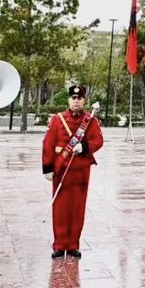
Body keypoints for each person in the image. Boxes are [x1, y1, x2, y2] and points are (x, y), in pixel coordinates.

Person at [43, 84, 105, 259]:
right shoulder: (57, 119)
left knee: (77, 209)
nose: (76, 101)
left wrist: (84, 146)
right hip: (61, 169)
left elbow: (98, 140)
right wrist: (47, 168)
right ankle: (59, 244)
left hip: (80, 171)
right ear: (69, 100)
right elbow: (48, 144)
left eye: (80, 98)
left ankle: (72, 245)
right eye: (73, 98)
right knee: (60, 208)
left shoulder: (90, 120)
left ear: (84, 101)